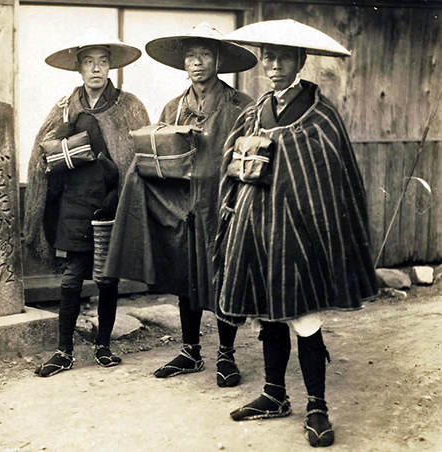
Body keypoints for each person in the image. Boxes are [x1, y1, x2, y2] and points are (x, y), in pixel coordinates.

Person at [216, 20, 379, 447]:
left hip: (299, 234)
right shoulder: (255, 112)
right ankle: (274, 394)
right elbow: (233, 163)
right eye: (268, 57)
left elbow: (332, 180)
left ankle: (317, 407)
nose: (274, 66)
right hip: (256, 229)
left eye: (284, 58)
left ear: (301, 61)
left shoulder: (320, 116)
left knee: (304, 317)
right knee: (268, 314)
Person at [104, 23, 255, 385]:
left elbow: (249, 159)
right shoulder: (174, 108)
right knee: (186, 277)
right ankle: (190, 351)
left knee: (222, 277)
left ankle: (226, 354)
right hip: (182, 208)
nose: (196, 62)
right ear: (184, 63)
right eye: (190, 55)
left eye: (204, 54)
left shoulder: (241, 106)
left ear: (219, 61)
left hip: (223, 207)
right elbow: (157, 154)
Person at [24, 28, 150, 377]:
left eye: (103, 62)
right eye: (89, 62)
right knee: (72, 277)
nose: (96, 68)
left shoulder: (130, 106)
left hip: (112, 202)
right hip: (74, 204)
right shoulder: (65, 107)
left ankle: (103, 346)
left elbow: (141, 156)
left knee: (107, 277)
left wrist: (122, 191)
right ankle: (63, 351)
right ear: (79, 68)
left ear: (110, 67)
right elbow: (41, 154)